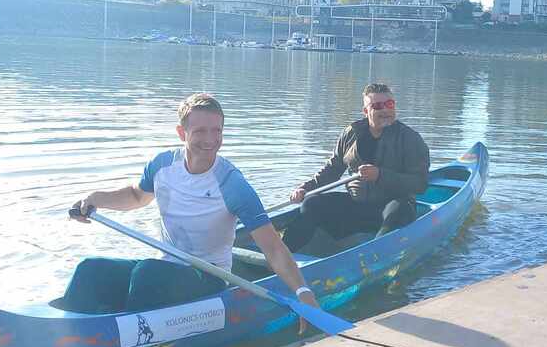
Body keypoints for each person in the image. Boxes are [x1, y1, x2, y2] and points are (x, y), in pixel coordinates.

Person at [65, 92, 320, 329]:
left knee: (146, 274)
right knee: (90, 269)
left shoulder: (232, 184)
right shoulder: (161, 165)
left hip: (210, 276)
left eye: (216, 131)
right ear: (181, 132)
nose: (210, 140)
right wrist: (94, 198)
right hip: (166, 267)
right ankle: (70, 333)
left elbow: (273, 248)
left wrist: (303, 292)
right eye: (200, 131)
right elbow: (136, 196)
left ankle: (127, 337)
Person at [281, 82, 429, 254]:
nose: (385, 110)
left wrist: (380, 175)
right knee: (311, 203)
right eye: (377, 106)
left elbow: (420, 184)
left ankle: (375, 256)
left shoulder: (410, 139)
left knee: (400, 210)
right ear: (366, 111)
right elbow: (332, 170)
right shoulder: (351, 134)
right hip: (357, 206)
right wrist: (304, 189)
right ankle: (280, 255)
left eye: (389, 104)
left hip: (392, 206)